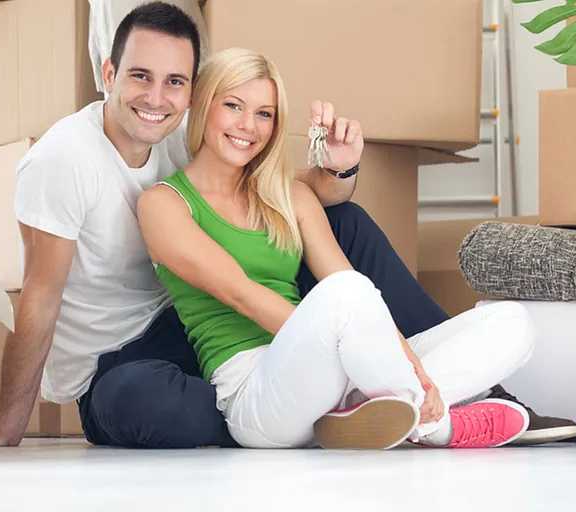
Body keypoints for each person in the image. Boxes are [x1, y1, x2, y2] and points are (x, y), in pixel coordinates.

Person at [0, 1, 576, 448]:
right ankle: (417, 413)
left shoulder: (174, 135)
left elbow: (291, 195)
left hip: (194, 328)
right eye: (140, 76)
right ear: (108, 74)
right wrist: (8, 425)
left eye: (174, 82)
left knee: (360, 231)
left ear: (190, 95)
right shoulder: (71, 162)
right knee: (162, 407)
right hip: (126, 358)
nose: (155, 96)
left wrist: (338, 169)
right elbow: (41, 295)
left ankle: (413, 404)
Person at [137, 46, 539, 449]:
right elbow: (242, 295)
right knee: (346, 293)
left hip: (343, 376)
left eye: (264, 114)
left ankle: (384, 410)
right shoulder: (164, 204)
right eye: (233, 106)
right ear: (204, 106)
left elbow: (352, 287)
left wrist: (409, 363)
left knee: (511, 322)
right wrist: (359, 352)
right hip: (256, 395)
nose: (248, 125)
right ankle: (438, 426)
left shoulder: (289, 196)